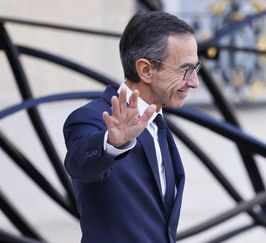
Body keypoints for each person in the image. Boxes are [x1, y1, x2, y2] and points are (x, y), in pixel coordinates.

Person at [63, 11, 200, 243]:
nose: (194, 82)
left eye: (196, 69)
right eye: (185, 70)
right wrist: (113, 143)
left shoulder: (157, 123)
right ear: (146, 70)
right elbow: (79, 165)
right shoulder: (93, 119)